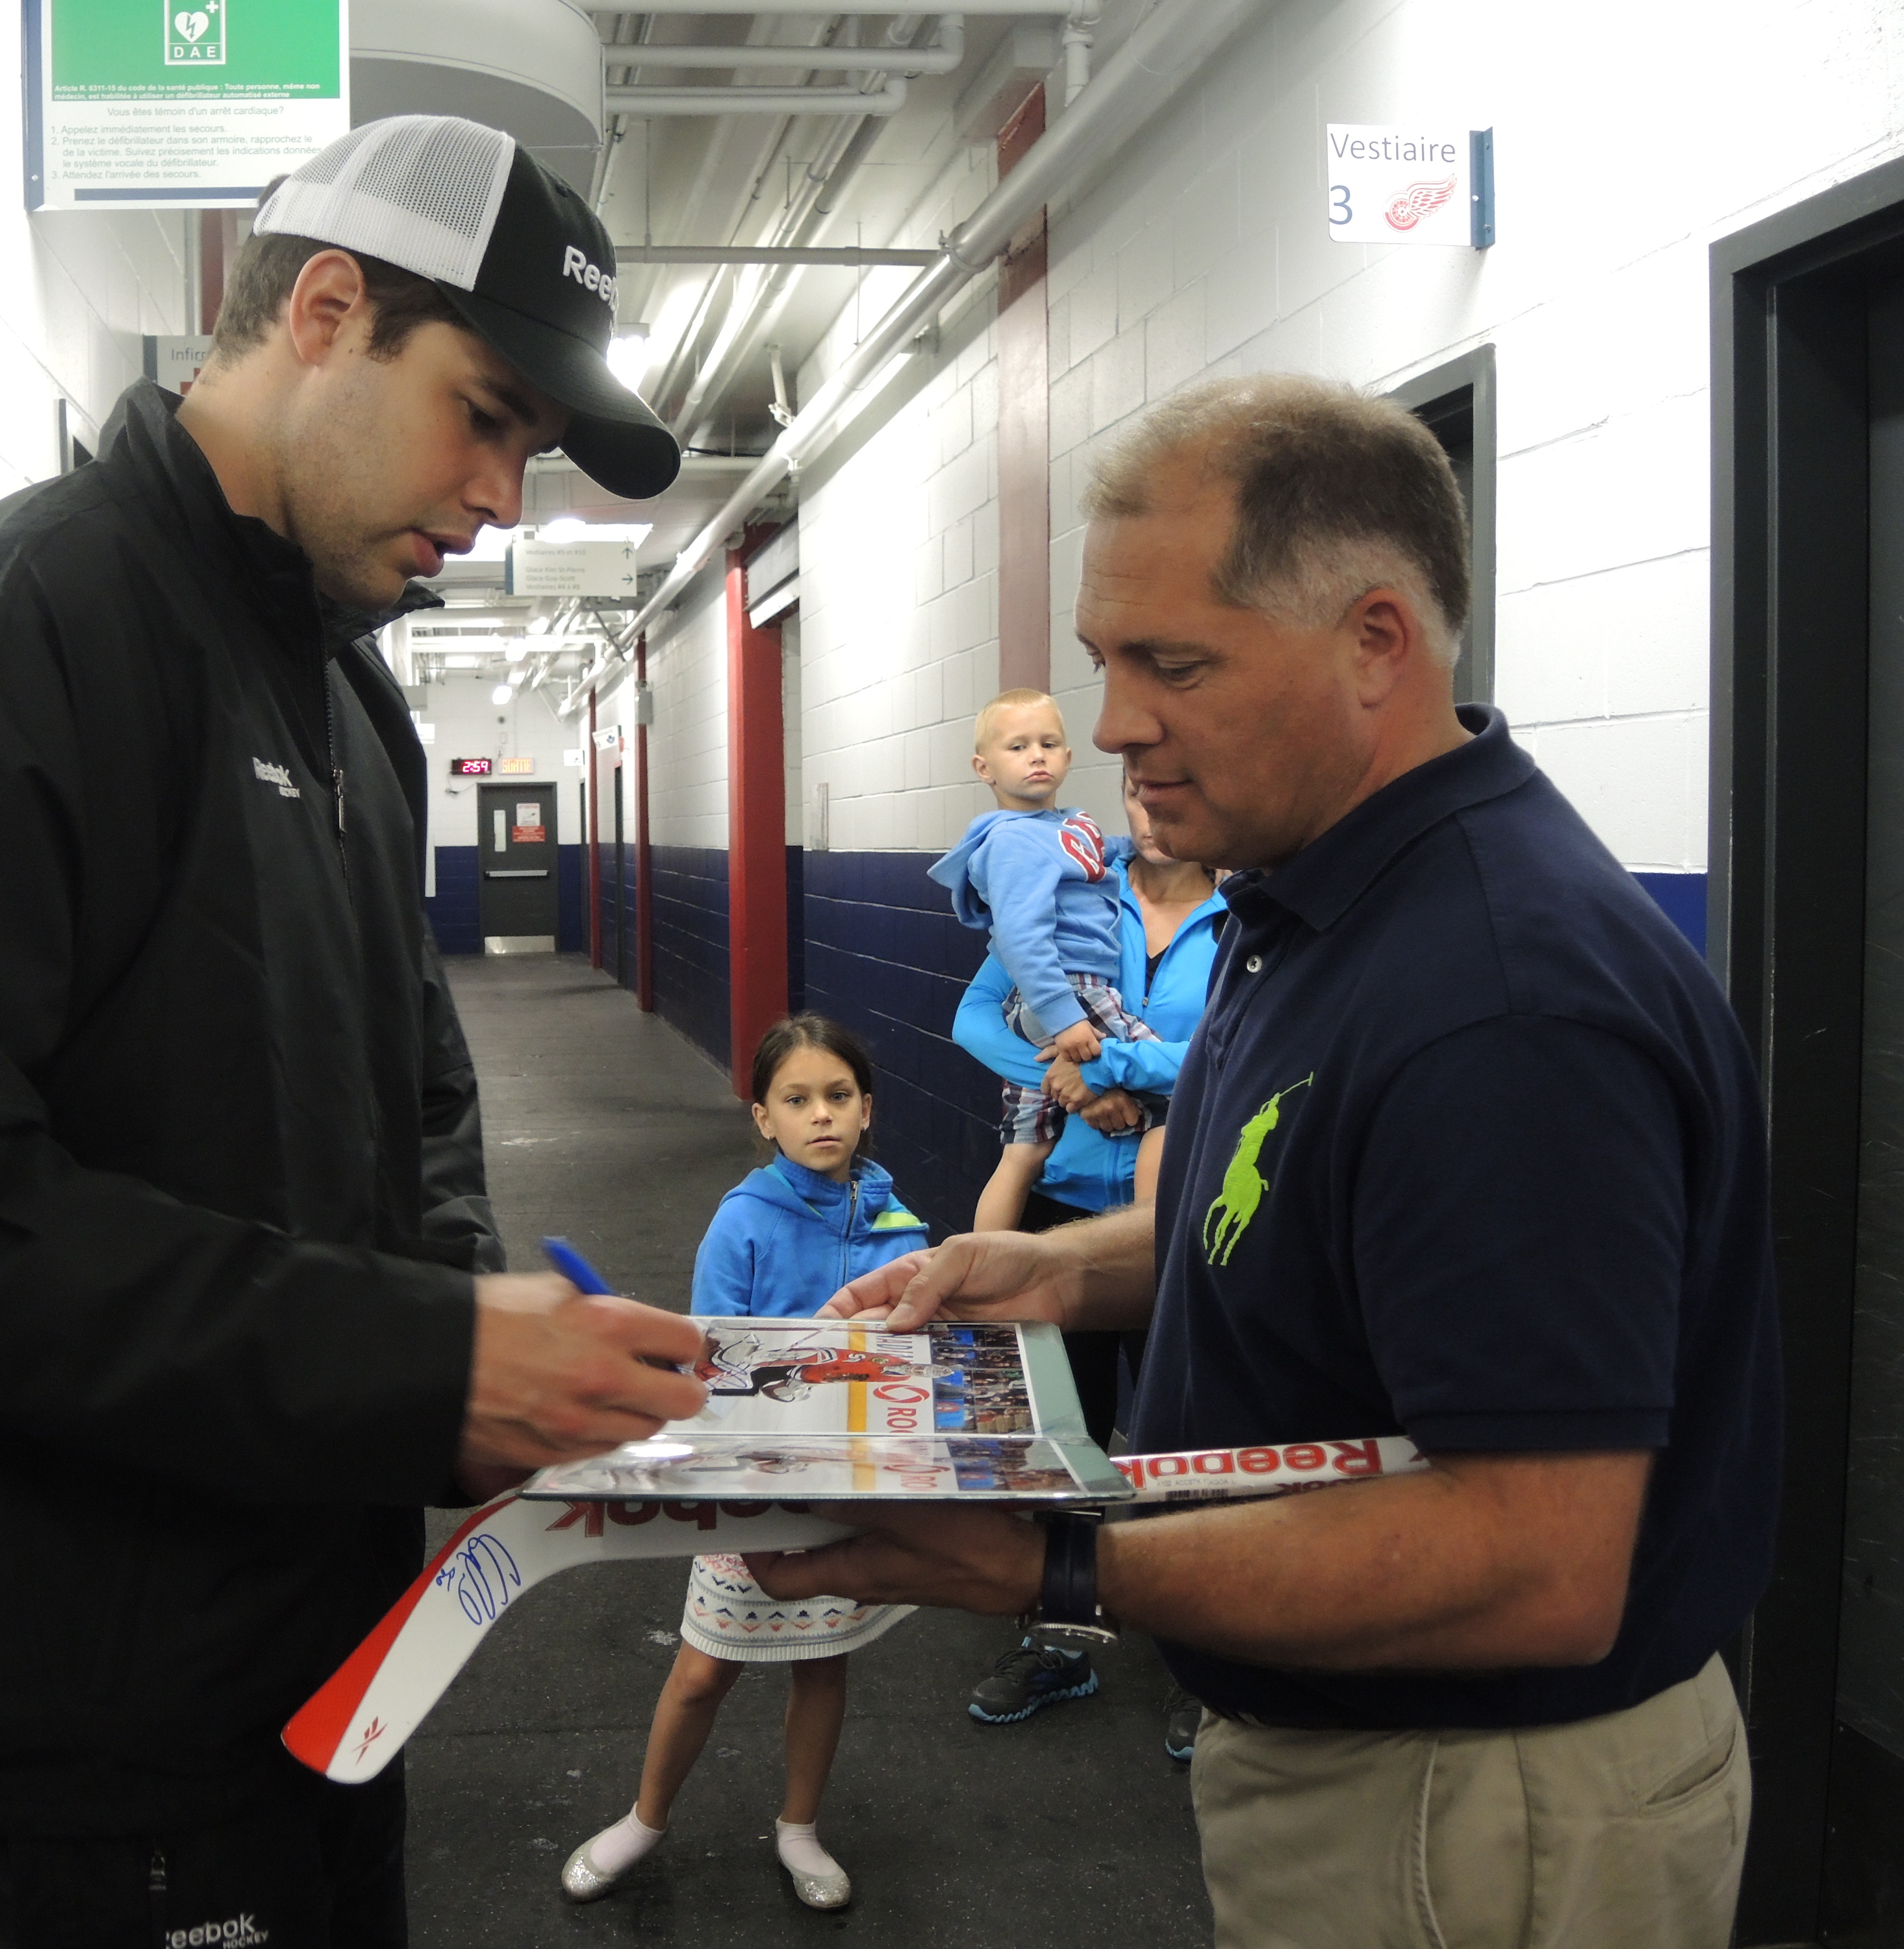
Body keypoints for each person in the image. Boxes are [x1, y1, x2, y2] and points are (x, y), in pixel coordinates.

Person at [0, 116, 709, 1948]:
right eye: (485, 415)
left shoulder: (353, 702)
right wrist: (422, 1360)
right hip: (68, 1743)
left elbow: (414, 1096)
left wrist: (471, 1349)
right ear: (327, 310)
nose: (501, 496)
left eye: (527, 448)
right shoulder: (8, 623)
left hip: (325, 1678)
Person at [754, 373, 1779, 1948]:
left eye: (1173, 664)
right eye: (1104, 661)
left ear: (1373, 643)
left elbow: (1532, 1563)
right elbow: (1281, 1223)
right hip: (1376, 1766)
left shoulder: (1500, 1003)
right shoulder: (1301, 898)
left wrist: (1050, 1567)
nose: (1113, 726)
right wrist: (1049, 1271)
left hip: (1478, 1809)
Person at [563, 1016, 926, 1914]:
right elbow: (710, 1363)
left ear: (867, 1108)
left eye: (838, 1096)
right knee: (702, 1671)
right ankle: (646, 1820)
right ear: (764, 1118)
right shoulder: (742, 1221)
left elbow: (914, 1351)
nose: (821, 1115)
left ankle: (799, 1827)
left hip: (846, 1489)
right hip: (754, 1487)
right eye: (797, 1100)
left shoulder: (898, 1219)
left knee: (823, 1663)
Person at [950, 772, 1226, 1742]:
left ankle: (1203, 1659)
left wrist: (1108, 1066)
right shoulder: (1076, 889)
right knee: (1062, 1445)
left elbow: (1232, 1052)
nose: (1154, 812)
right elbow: (976, 1018)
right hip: (1067, 1212)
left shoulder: (1245, 920)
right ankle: (1061, 1640)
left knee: (1189, 1442)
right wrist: (1071, 1086)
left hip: (1181, 1218)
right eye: (1138, 795)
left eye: (1177, 792)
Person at [930, 691, 1165, 1235]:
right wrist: (1065, 1019)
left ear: (1068, 756)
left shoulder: (1066, 826)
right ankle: (1146, 1253)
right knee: (1166, 1093)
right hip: (1073, 990)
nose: (1036, 755)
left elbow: (1096, 854)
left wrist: (1133, 848)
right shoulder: (1013, 841)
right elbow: (1020, 937)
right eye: (1018, 747)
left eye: (1049, 744)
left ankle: (984, 1265)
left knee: (1024, 1148)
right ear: (984, 768)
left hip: (1057, 997)